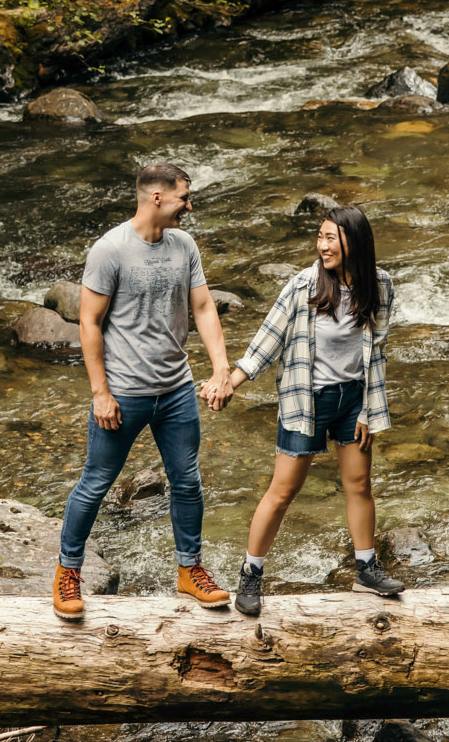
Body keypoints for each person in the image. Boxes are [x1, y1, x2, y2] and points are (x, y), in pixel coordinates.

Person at [52, 163, 235, 621]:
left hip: (175, 390)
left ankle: (189, 571)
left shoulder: (184, 246)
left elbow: (203, 306)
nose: (189, 206)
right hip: (124, 394)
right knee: (95, 482)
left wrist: (221, 369)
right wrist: (100, 392)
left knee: (188, 482)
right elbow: (89, 323)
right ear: (157, 197)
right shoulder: (110, 250)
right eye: (184, 197)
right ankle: (67, 573)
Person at [221, 205, 403, 616]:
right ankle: (250, 575)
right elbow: (267, 341)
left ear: (353, 242)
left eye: (330, 238)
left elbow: (378, 351)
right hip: (307, 399)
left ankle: (366, 570)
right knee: (283, 491)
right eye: (319, 237)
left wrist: (369, 410)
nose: (321, 246)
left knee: (359, 485)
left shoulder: (381, 284)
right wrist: (229, 382)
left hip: (353, 398)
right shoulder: (303, 286)